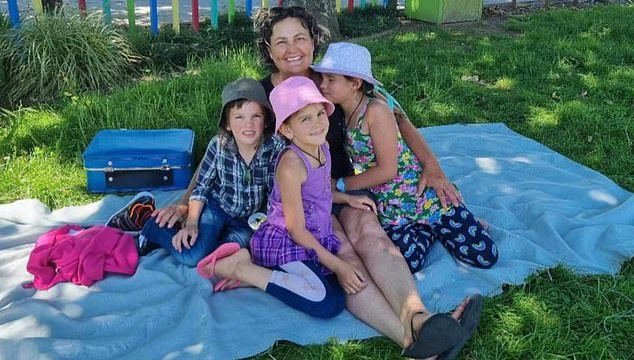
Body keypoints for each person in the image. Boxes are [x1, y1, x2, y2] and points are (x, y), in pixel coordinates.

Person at [155, 6, 481, 358]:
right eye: (280, 41)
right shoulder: (262, 97)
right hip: (293, 198)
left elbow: (398, 120)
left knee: (370, 237)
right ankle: (411, 343)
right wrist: (187, 201)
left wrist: (432, 166)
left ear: (314, 42)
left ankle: (419, 319)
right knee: (344, 257)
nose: (291, 48)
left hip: (346, 184)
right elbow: (222, 146)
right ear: (268, 48)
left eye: (300, 38)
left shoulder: (336, 78)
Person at [313, 42, 499, 274]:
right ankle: (431, 230)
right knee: (407, 264)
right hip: (390, 204)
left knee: (485, 256)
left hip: (419, 193)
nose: (323, 84)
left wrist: (339, 184)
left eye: (331, 79)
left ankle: (444, 218)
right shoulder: (339, 111)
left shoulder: (375, 111)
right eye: (323, 78)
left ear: (355, 83)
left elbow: (387, 170)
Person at [197, 76, 375, 318]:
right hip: (287, 240)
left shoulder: (322, 147)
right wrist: (338, 264)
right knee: (327, 304)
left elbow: (318, 193)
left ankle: (260, 272)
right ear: (287, 129)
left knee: (337, 295)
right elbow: (296, 230)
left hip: (315, 236)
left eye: (319, 114)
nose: (317, 124)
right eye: (305, 118)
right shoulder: (292, 165)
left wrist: (346, 199)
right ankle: (240, 268)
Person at [106, 78, 284, 267]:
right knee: (193, 256)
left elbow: (276, 192)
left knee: (232, 254)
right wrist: (192, 222)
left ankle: (216, 242)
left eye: (255, 116)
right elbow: (201, 186)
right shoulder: (219, 146)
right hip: (217, 208)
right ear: (228, 124)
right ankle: (152, 226)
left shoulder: (274, 148)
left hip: (247, 217)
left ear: (265, 121)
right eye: (239, 117)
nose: (248, 124)